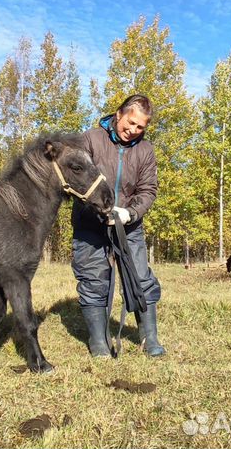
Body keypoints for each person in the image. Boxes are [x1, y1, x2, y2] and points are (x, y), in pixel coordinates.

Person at [71, 94, 165, 357]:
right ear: (119, 114)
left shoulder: (145, 150)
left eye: (140, 127)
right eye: (131, 123)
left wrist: (129, 213)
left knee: (141, 278)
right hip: (90, 225)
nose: (133, 131)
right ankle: (99, 341)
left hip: (129, 226)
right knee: (93, 280)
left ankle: (150, 338)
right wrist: (100, 209)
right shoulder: (90, 139)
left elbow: (148, 190)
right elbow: (76, 180)